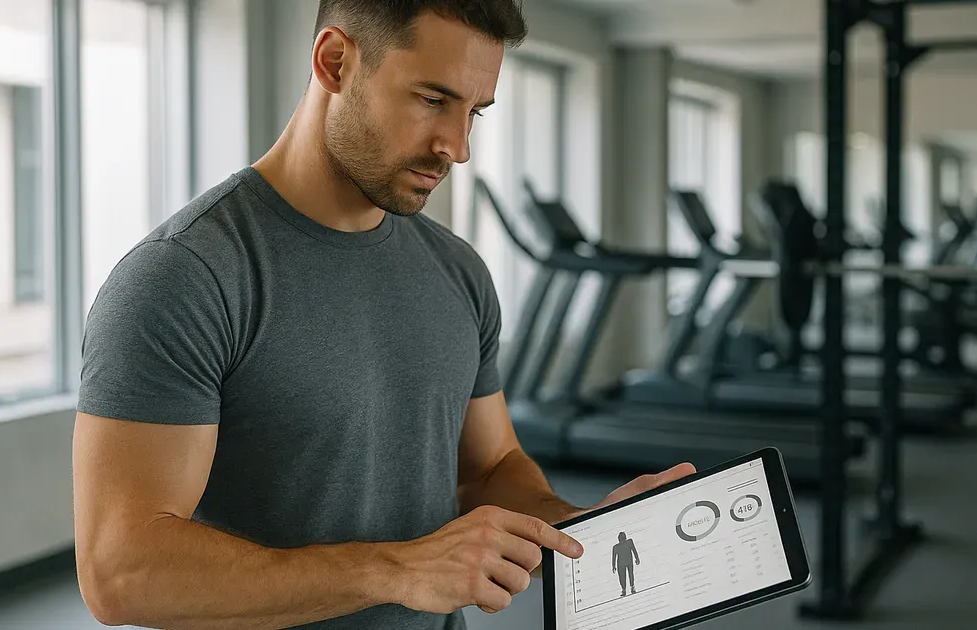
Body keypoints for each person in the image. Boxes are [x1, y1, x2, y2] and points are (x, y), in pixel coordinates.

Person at [71, 1, 695, 628]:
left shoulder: (458, 272)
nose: (457, 147)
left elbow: (489, 469)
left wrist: (574, 529)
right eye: (431, 99)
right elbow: (123, 574)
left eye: (472, 112)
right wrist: (395, 569)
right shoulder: (186, 276)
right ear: (335, 62)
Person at [611, 532, 641, 597]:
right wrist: (613, 566)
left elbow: (634, 550)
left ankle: (629, 588)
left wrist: (613, 566)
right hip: (624, 563)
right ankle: (627, 588)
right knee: (625, 576)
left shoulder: (617, 546)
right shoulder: (627, 543)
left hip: (624, 563)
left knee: (627, 575)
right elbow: (614, 557)